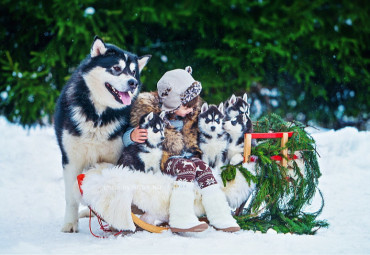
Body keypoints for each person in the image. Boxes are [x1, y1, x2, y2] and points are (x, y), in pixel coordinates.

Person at [123, 66, 240, 233]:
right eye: (186, 107)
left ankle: (219, 214)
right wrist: (131, 136)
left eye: (193, 106)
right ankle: (181, 216)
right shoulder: (149, 114)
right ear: (172, 103)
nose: (191, 110)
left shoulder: (193, 115)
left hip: (188, 157)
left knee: (202, 166)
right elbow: (126, 138)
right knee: (187, 167)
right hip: (163, 159)